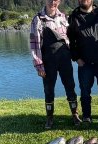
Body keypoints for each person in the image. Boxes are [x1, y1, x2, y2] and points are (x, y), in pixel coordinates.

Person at [30, 0, 81, 129]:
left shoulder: (64, 17)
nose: (53, 2)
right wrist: (39, 65)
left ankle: (75, 114)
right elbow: (35, 44)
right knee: (48, 90)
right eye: (50, 0)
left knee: (70, 87)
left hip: (65, 59)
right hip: (48, 61)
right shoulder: (38, 19)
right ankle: (49, 117)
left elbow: (69, 37)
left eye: (56, 0)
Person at [67, 0, 98, 123]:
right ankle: (86, 116)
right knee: (84, 92)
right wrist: (76, 58)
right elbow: (70, 41)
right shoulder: (74, 17)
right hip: (84, 63)